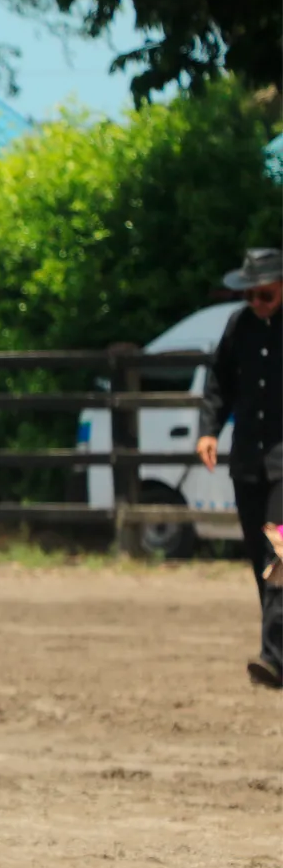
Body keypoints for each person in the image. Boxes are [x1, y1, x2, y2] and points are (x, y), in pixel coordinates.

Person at [196, 245, 282, 687]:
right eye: (250, 296)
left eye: (264, 295)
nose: (256, 303)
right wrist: (208, 429)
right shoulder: (239, 327)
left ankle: (272, 657)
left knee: (280, 554)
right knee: (259, 559)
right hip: (248, 461)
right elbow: (219, 383)